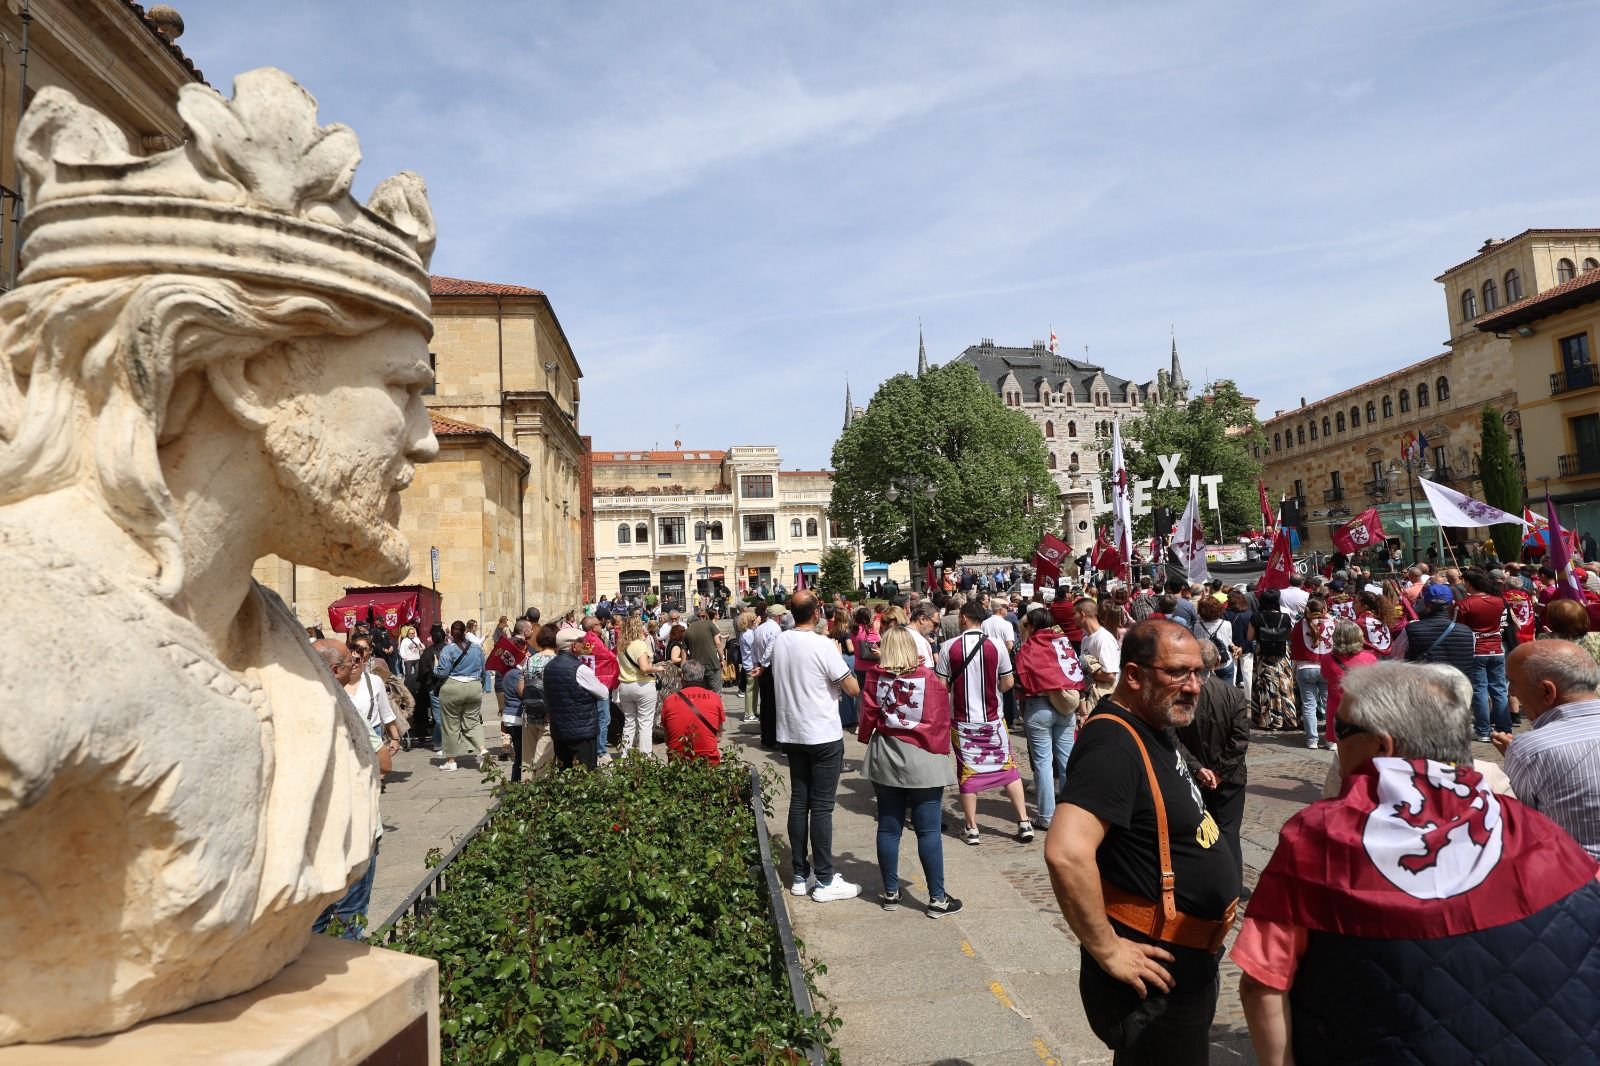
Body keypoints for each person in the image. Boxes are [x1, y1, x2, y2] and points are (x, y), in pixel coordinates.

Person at [1234, 661, 1600, 1065]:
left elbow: (1263, 981)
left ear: (1382, 746)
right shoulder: (1538, 830)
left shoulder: (1319, 836)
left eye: (1342, 730)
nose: (1336, 741)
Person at [1046, 621, 1241, 1064]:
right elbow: (1066, 851)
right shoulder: (1113, 744)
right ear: (1133, 675)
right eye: (1177, 673)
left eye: (1198, 673)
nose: (1193, 687)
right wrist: (1107, 949)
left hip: (1186, 965)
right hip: (1155, 977)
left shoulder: (1151, 722)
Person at [858, 625, 961, 916]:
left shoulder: (875, 677)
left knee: (889, 827)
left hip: (886, 754)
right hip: (923, 756)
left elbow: (867, 713)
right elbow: (940, 721)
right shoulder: (929, 679)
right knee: (928, 831)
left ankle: (890, 892)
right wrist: (941, 752)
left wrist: (865, 737)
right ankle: (937, 899)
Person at [772, 591, 863, 901]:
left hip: (792, 731)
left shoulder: (781, 640)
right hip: (822, 732)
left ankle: (801, 873)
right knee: (821, 807)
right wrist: (836, 656)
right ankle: (824, 879)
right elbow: (852, 688)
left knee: (800, 801)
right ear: (815, 614)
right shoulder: (822, 645)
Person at [939, 598, 1034, 845]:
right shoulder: (997, 646)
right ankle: (1023, 821)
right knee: (1008, 767)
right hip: (993, 719)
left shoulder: (948, 647)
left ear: (963, 618)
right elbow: (1008, 682)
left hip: (962, 721)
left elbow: (941, 686)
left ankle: (972, 829)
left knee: (967, 772)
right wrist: (994, 690)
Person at [1495, 640, 1600, 859]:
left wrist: (1522, 757)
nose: (1511, 691)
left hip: (1577, 877)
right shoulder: (1532, 749)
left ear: (1547, 691)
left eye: (1513, 683)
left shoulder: (1531, 749)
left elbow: (1523, 826)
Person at [309, 640, 383, 940]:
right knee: (349, 918)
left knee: (312, 921)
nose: (355, 666)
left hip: (308, 834)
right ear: (333, 670)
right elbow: (383, 761)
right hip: (350, 830)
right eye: (348, 663)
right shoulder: (339, 704)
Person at [1174, 639, 1251, 894]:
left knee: (1198, 830)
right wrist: (1216, 771)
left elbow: (1172, 738)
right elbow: (1239, 741)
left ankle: (1202, 881)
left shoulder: (1180, 693)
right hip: (1224, 776)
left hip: (1198, 775)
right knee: (1227, 830)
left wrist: (1201, 770)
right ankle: (1231, 884)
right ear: (1217, 663)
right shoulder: (1234, 694)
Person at [1015, 606, 1087, 831]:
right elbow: (1074, 671)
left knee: (1043, 765)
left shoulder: (1029, 646)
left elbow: (1022, 678)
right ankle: (1071, 815)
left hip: (1038, 707)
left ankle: (1046, 817)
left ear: (1032, 625)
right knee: (1067, 762)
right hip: (1064, 706)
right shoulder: (1062, 642)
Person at [1457, 568, 1512, 741]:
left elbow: (1459, 628)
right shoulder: (1498, 601)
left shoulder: (1464, 604)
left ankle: (1483, 730)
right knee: (1499, 689)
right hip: (1496, 648)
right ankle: (1504, 727)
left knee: (1480, 690)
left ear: (1469, 583)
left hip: (1477, 650)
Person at [542, 627, 609, 769]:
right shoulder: (580, 669)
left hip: (560, 729)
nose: (584, 644)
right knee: (586, 772)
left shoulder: (549, 667)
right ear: (573, 646)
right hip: (582, 730)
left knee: (563, 771)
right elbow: (603, 693)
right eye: (581, 642)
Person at [343, 635, 403, 780]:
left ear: (363, 660)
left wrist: (395, 738)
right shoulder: (337, 684)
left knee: (372, 779)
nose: (354, 664)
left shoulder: (374, 681)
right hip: (346, 738)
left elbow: (386, 712)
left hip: (372, 735)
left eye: (357, 660)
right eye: (349, 660)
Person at [432, 620, 487, 773]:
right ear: (465, 631)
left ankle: (451, 761)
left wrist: (435, 666)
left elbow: (442, 673)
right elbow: (483, 670)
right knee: (474, 722)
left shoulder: (448, 650)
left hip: (453, 687)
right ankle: (482, 750)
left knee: (451, 724)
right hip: (474, 686)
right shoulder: (477, 649)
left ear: (451, 633)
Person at [1319, 619, 1377, 749]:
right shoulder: (1371, 658)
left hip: (1337, 710)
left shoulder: (1327, 659)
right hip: (1361, 711)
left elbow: (1325, 676)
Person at [660, 660, 726, 764]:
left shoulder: (669, 700)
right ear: (702, 677)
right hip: (708, 763)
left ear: (682, 678)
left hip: (678, 764)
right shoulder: (715, 698)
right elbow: (718, 737)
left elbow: (667, 740)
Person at [614, 615, 662, 757]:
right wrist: (658, 668)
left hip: (625, 685)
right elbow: (644, 668)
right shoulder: (639, 644)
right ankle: (645, 756)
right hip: (642, 685)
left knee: (629, 723)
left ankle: (625, 755)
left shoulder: (621, 645)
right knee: (645, 724)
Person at [1288, 598, 1332, 748]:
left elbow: (1294, 649)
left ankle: (1312, 739)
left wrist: (1293, 672)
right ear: (1324, 609)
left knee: (1309, 705)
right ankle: (1331, 740)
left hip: (1305, 668)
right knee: (1330, 705)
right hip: (1327, 668)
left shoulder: (1300, 625)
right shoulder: (1334, 623)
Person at [1249, 589, 1295, 730]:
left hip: (1263, 655)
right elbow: (1290, 636)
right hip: (1282, 655)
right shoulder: (1285, 617)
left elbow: (1249, 637)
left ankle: (1269, 720)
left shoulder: (1256, 617)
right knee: (1284, 685)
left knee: (1267, 686)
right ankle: (1288, 718)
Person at [750, 604, 785, 749]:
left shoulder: (760, 628)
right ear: (778, 616)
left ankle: (766, 737)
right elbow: (770, 649)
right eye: (782, 615)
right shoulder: (775, 629)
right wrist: (763, 666)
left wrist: (756, 664)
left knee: (765, 703)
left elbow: (754, 648)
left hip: (762, 666)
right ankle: (772, 738)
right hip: (769, 668)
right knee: (773, 704)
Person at [1077, 596, 1121, 703]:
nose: (1072, 618)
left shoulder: (1104, 638)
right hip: (1093, 698)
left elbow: (1110, 675)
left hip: (1107, 699)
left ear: (1082, 615)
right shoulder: (1085, 640)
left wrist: (1088, 673)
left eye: (1074, 614)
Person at [1190, 594, 1237, 686]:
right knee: (1227, 692)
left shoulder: (1196, 626)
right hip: (1225, 662)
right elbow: (1228, 641)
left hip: (1205, 664)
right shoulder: (1226, 624)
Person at [684, 607, 725, 694]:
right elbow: (718, 644)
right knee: (716, 693)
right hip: (712, 663)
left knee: (700, 694)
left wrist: (683, 669)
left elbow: (684, 653)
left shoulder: (687, 631)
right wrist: (722, 659)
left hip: (696, 667)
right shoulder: (710, 625)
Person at [829, 612, 858, 729]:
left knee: (843, 690)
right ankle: (853, 717)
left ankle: (845, 717)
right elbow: (850, 648)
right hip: (849, 658)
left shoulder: (833, 631)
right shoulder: (846, 633)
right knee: (853, 689)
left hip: (838, 656)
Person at [737, 608, 761, 723]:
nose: (753, 623)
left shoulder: (744, 633)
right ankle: (748, 713)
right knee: (751, 689)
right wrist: (757, 627)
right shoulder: (748, 634)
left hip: (749, 663)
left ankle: (752, 711)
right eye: (752, 621)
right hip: (751, 664)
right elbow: (755, 646)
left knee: (753, 689)